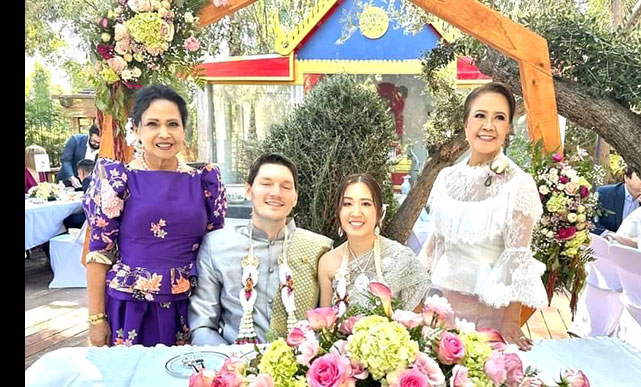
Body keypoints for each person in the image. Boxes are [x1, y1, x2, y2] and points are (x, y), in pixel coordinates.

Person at [83, 84, 227, 347]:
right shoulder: (117, 180)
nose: (164, 133)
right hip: (131, 309)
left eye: (173, 124)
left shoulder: (205, 182)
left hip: (192, 309)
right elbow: (99, 253)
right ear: (137, 129)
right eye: (152, 124)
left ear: (183, 130)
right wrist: (96, 319)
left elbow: (214, 250)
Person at [419, 82, 547, 349]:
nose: (488, 125)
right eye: (480, 115)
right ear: (466, 123)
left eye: (499, 118)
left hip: (487, 315)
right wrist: (418, 300)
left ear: (508, 127)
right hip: (439, 306)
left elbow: (517, 257)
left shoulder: (518, 183)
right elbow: (435, 244)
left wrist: (510, 323)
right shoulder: (446, 177)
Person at [189, 153, 332, 345]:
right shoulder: (216, 246)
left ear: (295, 198)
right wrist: (233, 361)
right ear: (249, 191)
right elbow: (202, 326)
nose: (276, 193)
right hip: (233, 359)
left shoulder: (320, 249)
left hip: (301, 360)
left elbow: (328, 327)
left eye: (286, 187)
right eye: (266, 184)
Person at [318, 174, 430, 313]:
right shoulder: (327, 263)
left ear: (379, 212)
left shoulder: (402, 258)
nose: (356, 213)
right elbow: (324, 323)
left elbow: (417, 321)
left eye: (365, 204)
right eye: (347, 204)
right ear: (338, 211)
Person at [592, 166, 641, 235]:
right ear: (626, 178)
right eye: (640, 176)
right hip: (607, 239)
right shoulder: (605, 193)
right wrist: (609, 235)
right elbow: (590, 222)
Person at [58, 124, 101, 189]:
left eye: (100, 142)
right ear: (89, 135)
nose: (97, 144)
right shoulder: (75, 140)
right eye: (94, 141)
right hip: (68, 182)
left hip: (91, 185)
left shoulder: (105, 148)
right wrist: (71, 177)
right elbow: (66, 160)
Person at [63, 159, 96, 230]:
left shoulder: (87, 180)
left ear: (82, 172)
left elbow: (88, 201)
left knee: (67, 220)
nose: (78, 175)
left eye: (78, 173)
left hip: (91, 216)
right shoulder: (96, 177)